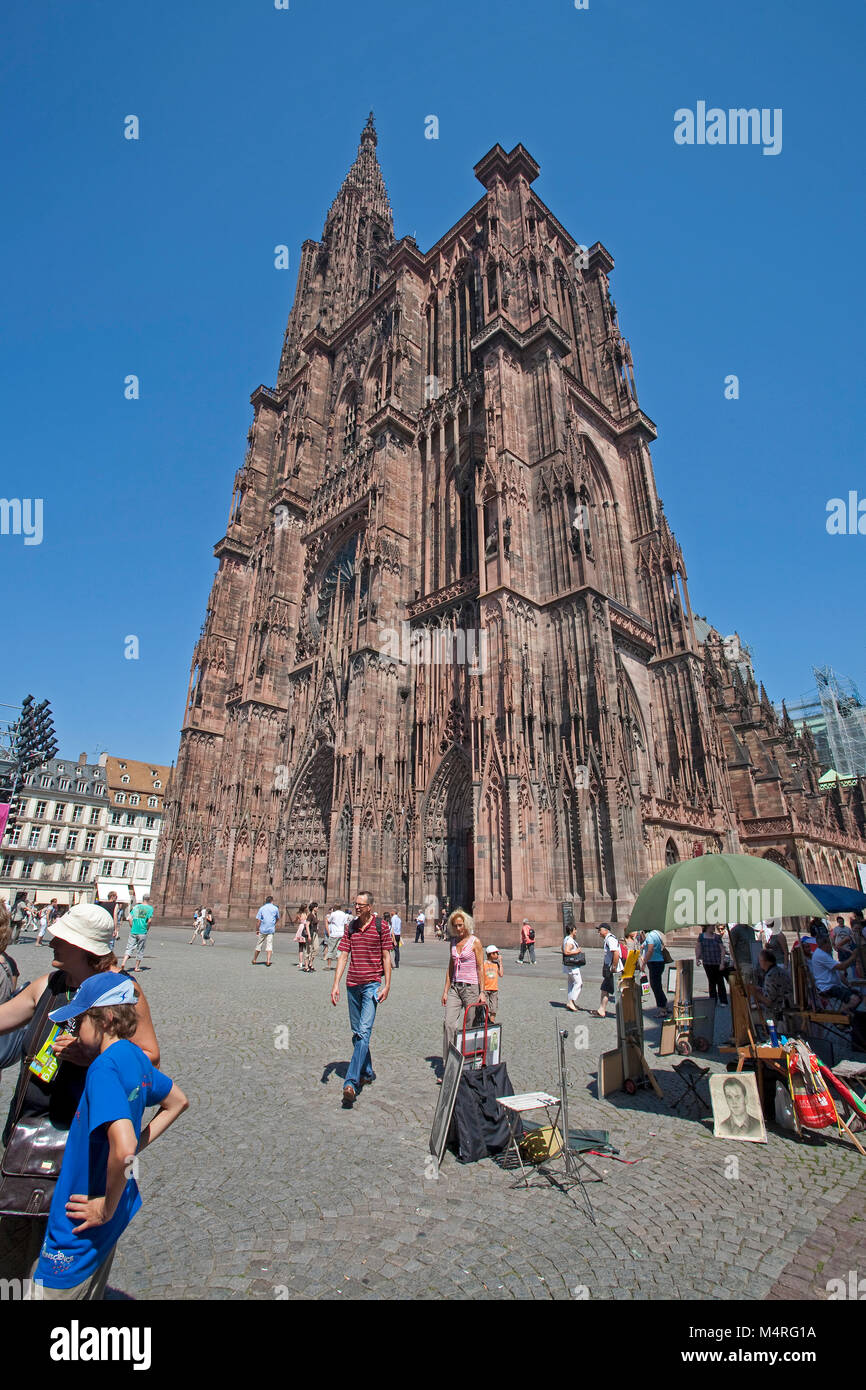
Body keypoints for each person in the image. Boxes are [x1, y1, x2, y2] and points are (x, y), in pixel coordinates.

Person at [0, 902, 160, 1282]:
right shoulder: (50, 985)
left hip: (82, 1147)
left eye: (63, 938)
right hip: (27, 1135)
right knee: (10, 1264)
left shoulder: (122, 992)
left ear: (85, 950)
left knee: (66, 1266)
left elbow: (150, 1058)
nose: (53, 941)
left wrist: (93, 1056)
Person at [29, 972, 188, 1301]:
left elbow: (125, 1144)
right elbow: (178, 1102)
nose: (73, 1031)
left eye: (79, 1022)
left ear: (108, 1018)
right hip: (111, 1215)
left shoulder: (103, 1069)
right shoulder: (134, 1057)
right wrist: (134, 1148)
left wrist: (105, 1206)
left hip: (80, 1219)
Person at [331, 892, 393, 1108]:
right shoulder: (351, 928)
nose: (356, 907)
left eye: (360, 904)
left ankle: (351, 1082)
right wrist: (336, 983)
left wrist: (386, 985)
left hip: (372, 985)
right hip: (353, 984)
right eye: (355, 904)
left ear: (369, 907)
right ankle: (367, 1071)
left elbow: (387, 956)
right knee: (358, 1032)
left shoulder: (381, 927)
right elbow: (343, 955)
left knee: (363, 1031)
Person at [440, 909, 486, 1067]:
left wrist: (482, 992)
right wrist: (445, 991)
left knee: (469, 1026)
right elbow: (450, 967)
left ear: (466, 925)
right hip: (455, 987)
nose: (458, 928)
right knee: (449, 1024)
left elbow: (481, 967)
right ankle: (449, 1067)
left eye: (460, 925)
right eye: (455, 926)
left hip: (471, 987)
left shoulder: (475, 942)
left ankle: (467, 1065)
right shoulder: (453, 942)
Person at [809, 935, 866, 1012]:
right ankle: (842, 1014)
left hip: (834, 986)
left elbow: (838, 972)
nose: (831, 946)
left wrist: (848, 985)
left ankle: (848, 1015)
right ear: (825, 944)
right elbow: (842, 967)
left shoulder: (826, 953)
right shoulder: (821, 955)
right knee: (855, 1000)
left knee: (859, 996)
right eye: (830, 943)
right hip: (828, 987)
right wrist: (853, 956)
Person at [715, 1075, 764, 1139]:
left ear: (745, 1099)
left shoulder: (757, 1125)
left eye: (737, 1097)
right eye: (729, 1097)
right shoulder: (722, 1127)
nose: (734, 1102)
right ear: (726, 1100)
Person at [590, 923, 622, 1018]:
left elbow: (616, 953)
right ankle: (602, 1010)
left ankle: (623, 1012)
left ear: (606, 930)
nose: (598, 932)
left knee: (619, 992)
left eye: (600, 930)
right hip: (611, 970)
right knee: (605, 989)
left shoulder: (610, 939)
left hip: (614, 970)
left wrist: (614, 967)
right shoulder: (608, 939)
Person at [750, 949, 793, 1016]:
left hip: (779, 1011)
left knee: (752, 1013)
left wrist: (755, 993)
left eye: (760, 961)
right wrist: (761, 990)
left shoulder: (771, 976)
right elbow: (774, 991)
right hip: (787, 1005)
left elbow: (769, 1002)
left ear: (766, 962)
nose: (759, 963)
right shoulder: (781, 970)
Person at [118, 895, 153, 975]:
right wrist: (147, 928)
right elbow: (150, 921)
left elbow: (129, 918)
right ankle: (136, 967)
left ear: (142, 899)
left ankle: (123, 962)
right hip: (142, 931)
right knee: (140, 949)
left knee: (129, 947)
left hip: (134, 930)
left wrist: (131, 925)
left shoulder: (136, 907)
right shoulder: (150, 908)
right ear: (149, 900)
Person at [695, 923, 727, 1006]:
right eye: (712, 926)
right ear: (707, 927)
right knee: (711, 982)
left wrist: (722, 963)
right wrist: (697, 958)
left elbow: (722, 950)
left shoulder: (717, 937)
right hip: (707, 962)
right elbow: (698, 947)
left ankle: (723, 1000)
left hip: (717, 962)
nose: (713, 927)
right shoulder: (701, 937)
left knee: (720, 982)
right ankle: (713, 1000)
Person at [252, 896, 279, 967]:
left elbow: (258, 920)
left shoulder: (262, 908)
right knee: (269, 945)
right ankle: (268, 961)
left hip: (262, 929)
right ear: (272, 901)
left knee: (259, 944)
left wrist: (257, 929)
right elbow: (277, 918)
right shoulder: (275, 908)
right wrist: (273, 924)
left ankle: (254, 959)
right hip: (271, 929)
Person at [561, 924, 583, 1011]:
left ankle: (571, 1003)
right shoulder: (570, 940)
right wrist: (576, 951)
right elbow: (566, 951)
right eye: (575, 930)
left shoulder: (566, 939)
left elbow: (562, 949)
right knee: (578, 983)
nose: (576, 931)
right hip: (572, 965)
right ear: (571, 931)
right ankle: (571, 1001)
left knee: (571, 983)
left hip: (568, 965)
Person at [324, 904, 349, 970]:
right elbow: (346, 924)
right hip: (341, 933)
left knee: (330, 949)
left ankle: (328, 965)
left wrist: (329, 932)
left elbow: (328, 921)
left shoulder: (333, 914)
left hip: (334, 934)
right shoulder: (344, 914)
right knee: (339, 950)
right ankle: (338, 966)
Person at [483, 945, 503, 1019]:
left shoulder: (496, 964)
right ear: (490, 954)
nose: (497, 955)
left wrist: (500, 962)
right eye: (496, 953)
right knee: (484, 1007)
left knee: (493, 1009)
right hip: (485, 989)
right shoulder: (483, 964)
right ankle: (485, 1022)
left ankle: (492, 1022)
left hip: (494, 989)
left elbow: (501, 974)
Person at [306, 902, 320, 972]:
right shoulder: (310, 915)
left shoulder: (315, 915)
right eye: (316, 907)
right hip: (311, 933)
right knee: (309, 949)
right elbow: (307, 925)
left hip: (315, 933)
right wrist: (308, 935)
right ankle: (307, 966)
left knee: (316, 948)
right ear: (314, 908)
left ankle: (310, 963)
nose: (317, 908)